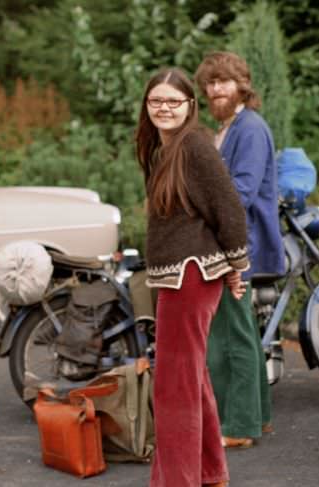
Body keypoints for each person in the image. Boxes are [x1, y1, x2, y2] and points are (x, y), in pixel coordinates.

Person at [137, 68, 250, 487]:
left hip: (190, 277)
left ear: (190, 106)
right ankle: (208, 472)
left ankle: (178, 481)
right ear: (146, 107)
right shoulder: (162, 150)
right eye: (156, 101)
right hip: (182, 276)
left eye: (173, 101)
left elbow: (230, 209)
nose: (164, 108)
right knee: (192, 378)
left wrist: (237, 266)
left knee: (173, 387)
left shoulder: (195, 146)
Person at [195, 51, 285, 449]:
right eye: (210, 83)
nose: (216, 89)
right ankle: (257, 418)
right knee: (242, 334)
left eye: (224, 82)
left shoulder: (248, 128)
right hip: (232, 242)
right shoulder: (230, 128)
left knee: (231, 338)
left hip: (239, 246)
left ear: (242, 85)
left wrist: (197, 215)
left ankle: (237, 426)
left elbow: (242, 192)